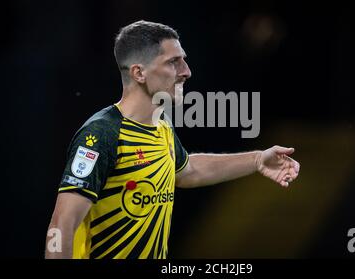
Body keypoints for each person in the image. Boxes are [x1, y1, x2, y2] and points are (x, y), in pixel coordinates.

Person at [45, 20, 300, 259]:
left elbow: (186, 170)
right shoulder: (102, 134)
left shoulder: (161, 126)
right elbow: (61, 225)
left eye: (184, 61)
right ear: (139, 73)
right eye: (173, 62)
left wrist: (256, 160)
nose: (186, 72)